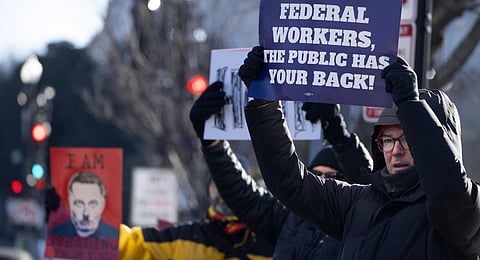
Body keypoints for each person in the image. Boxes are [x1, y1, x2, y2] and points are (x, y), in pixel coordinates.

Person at [239, 46, 480, 259]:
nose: (396, 150)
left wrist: (410, 104)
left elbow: (446, 185)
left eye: (407, 138)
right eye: (388, 140)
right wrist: (263, 103)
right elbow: (290, 181)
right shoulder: (358, 202)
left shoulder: (465, 209)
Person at [189, 81, 372, 258]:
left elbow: (370, 187)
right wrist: (212, 143)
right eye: (315, 175)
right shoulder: (287, 219)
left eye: (332, 176)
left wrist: (338, 135)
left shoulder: (359, 223)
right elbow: (241, 194)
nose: (323, 180)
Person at [48, 171, 118, 238]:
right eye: (79, 204)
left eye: (92, 204)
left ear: (102, 205)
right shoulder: (54, 235)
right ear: (69, 204)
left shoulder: (116, 237)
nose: (86, 213)